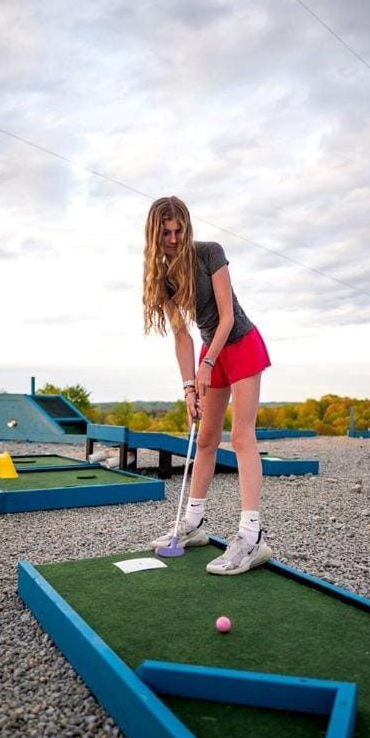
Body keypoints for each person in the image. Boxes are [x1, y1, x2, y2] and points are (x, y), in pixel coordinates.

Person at [143, 195, 272, 575]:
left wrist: (209, 363)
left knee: (242, 438)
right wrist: (188, 385)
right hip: (209, 351)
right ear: (154, 234)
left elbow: (228, 316)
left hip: (240, 346)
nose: (172, 238)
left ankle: (252, 537)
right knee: (205, 439)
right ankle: (194, 524)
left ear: (187, 228)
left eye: (178, 230)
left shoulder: (210, 253)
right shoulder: (162, 276)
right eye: (165, 232)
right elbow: (182, 336)